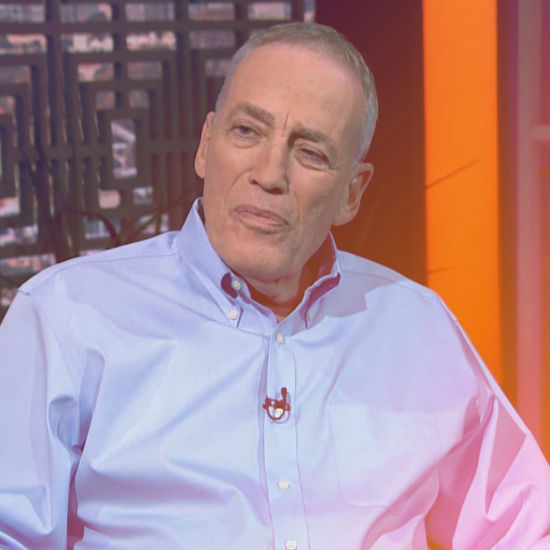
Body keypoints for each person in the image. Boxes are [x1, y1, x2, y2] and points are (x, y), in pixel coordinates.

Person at [0, 21, 549, 550]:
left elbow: (527, 525)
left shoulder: (417, 326)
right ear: (205, 145)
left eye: (310, 152)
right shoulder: (67, 315)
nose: (269, 174)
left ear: (351, 193)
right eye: (247, 131)